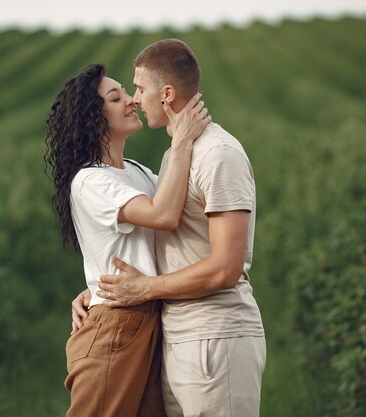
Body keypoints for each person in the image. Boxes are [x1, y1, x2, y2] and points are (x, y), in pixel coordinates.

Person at [71, 39, 266, 417]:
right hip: (176, 335)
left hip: (213, 335)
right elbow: (156, 231)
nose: (133, 99)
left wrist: (144, 287)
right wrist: (96, 286)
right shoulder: (172, 156)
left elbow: (226, 267)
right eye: (122, 94)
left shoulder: (217, 154)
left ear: (168, 94)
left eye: (138, 89)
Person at [45, 63, 210, 417]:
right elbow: (162, 216)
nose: (131, 101)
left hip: (148, 317)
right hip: (117, 326)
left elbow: (168, 217)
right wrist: (180, 140)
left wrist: (93, 287)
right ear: (94, 117)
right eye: (116, 97)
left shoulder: (135, 172)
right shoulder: (90, 181)